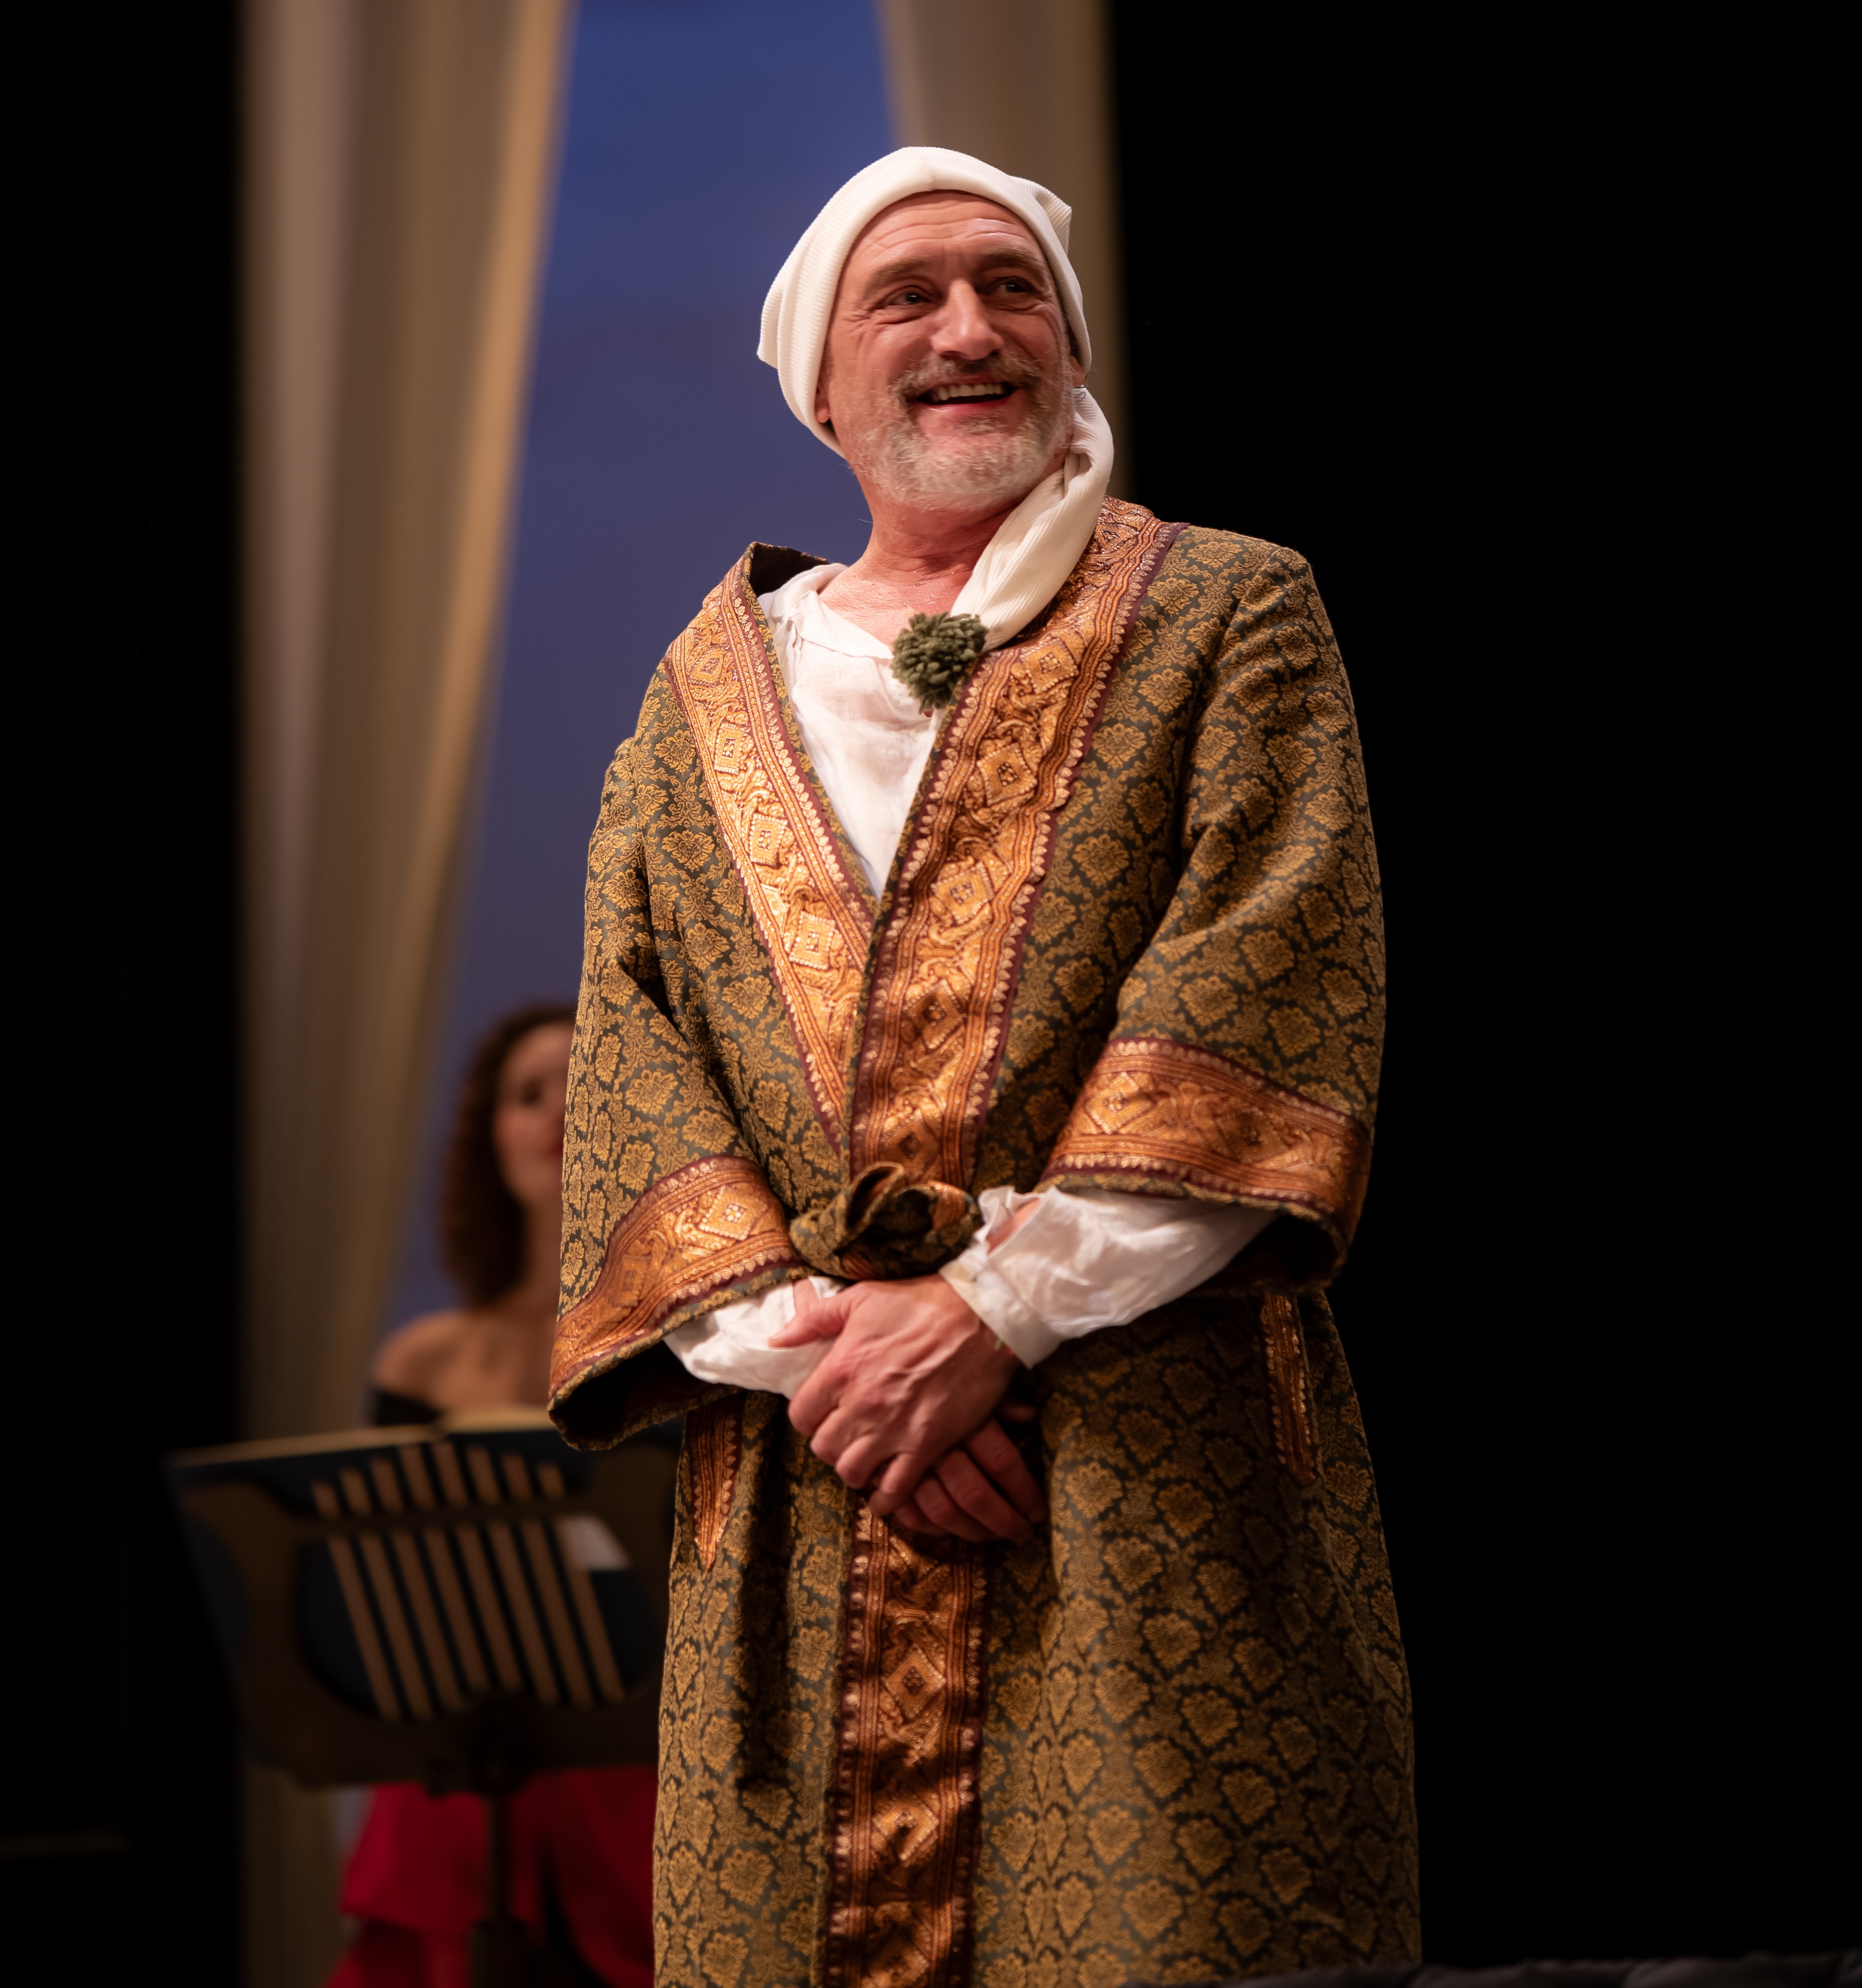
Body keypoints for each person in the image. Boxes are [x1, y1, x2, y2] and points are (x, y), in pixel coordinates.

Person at [546, 147, 1421, 1988]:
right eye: (912, 296)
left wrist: (993, 1315)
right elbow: (636, 1061)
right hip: (812, 1481)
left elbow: (1263, 986)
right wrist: (836, 1363)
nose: (971, 330)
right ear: (822, 382)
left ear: (1072, 346)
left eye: (1014, 288)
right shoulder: (699, 696)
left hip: (1137, 1456)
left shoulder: (1227, 613)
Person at [332, 1006, 656, 1988]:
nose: (555, 1109)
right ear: (491, 1138)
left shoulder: (684, 1340)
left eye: (580, 1078)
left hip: (641, 1762)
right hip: (465, 1753)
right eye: (526, 1094)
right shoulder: (421, 1359)